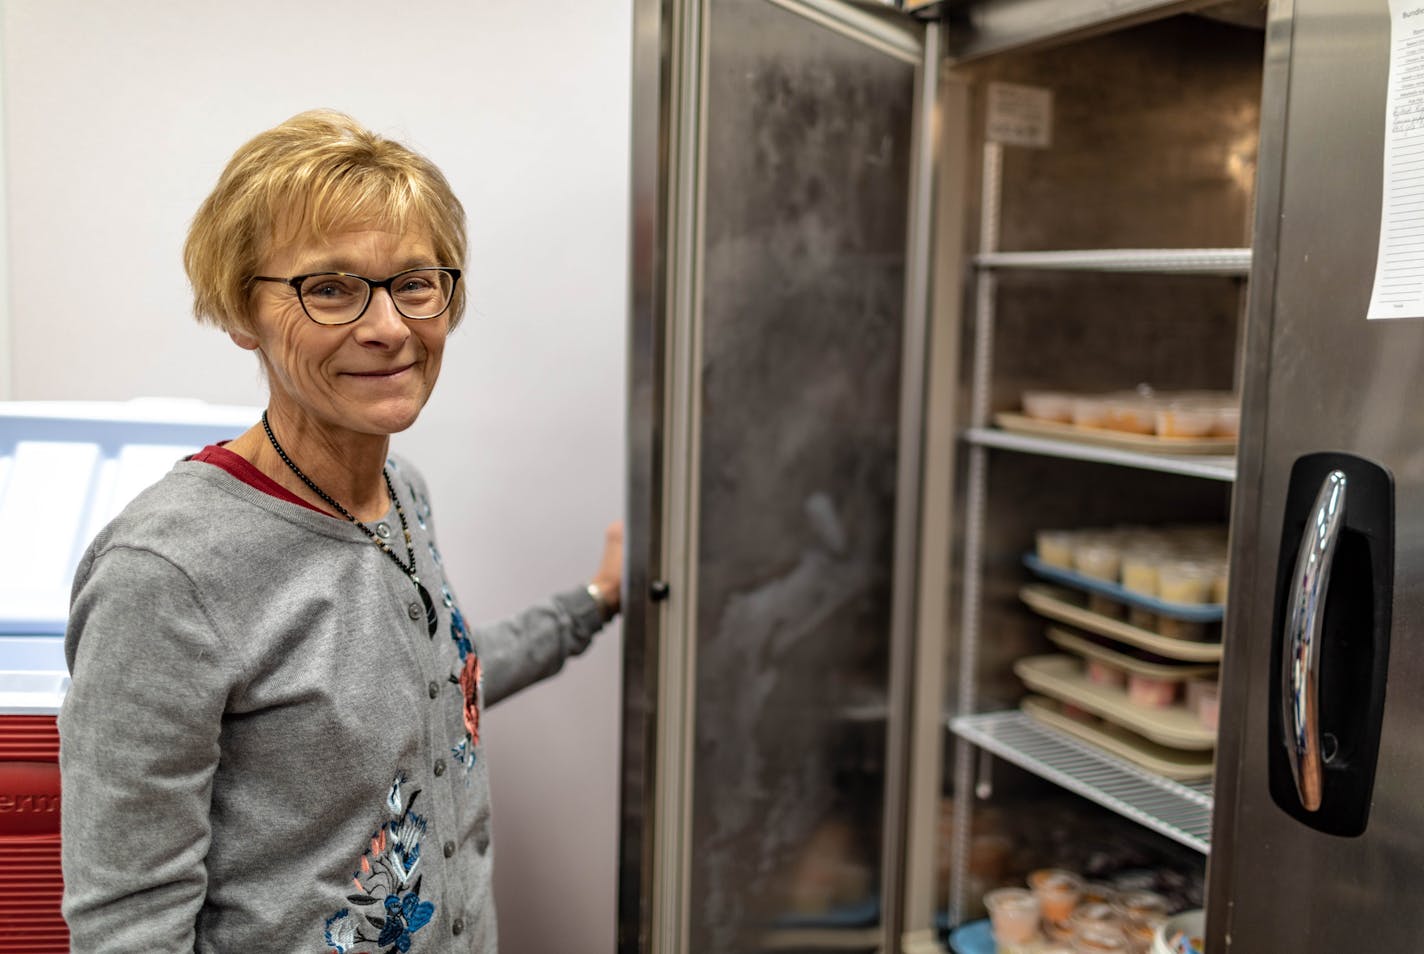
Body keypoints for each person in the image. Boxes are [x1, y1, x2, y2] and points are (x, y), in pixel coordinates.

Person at [57, 109, 622, 953]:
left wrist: (593, 603)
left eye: (415, 282)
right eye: (329, 288)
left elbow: (436, 690)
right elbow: (127, 923)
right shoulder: (168, 572)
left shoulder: (402, 495)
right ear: (241, 313)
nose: (389, 326)